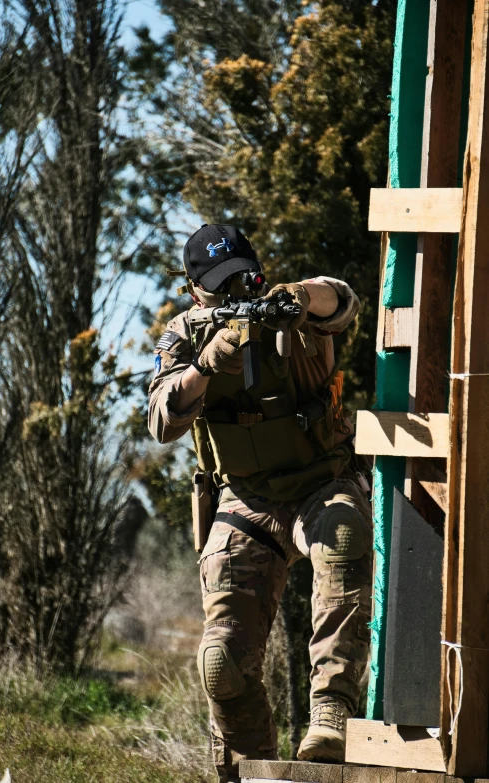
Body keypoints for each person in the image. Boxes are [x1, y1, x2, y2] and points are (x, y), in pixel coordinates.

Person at [148, 223, 372, 783]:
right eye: (220, 287)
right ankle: (252, 769)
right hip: (244, 503)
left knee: (344, 533)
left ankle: (332, 711)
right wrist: (206, 364)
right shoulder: (185, 333)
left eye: (243, 278)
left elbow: (341, 301)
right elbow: (160, 421)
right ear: (196, 291)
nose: (234, 294)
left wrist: (299, 298)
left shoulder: (294, 306)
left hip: (320, 483)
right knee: (221, 662)